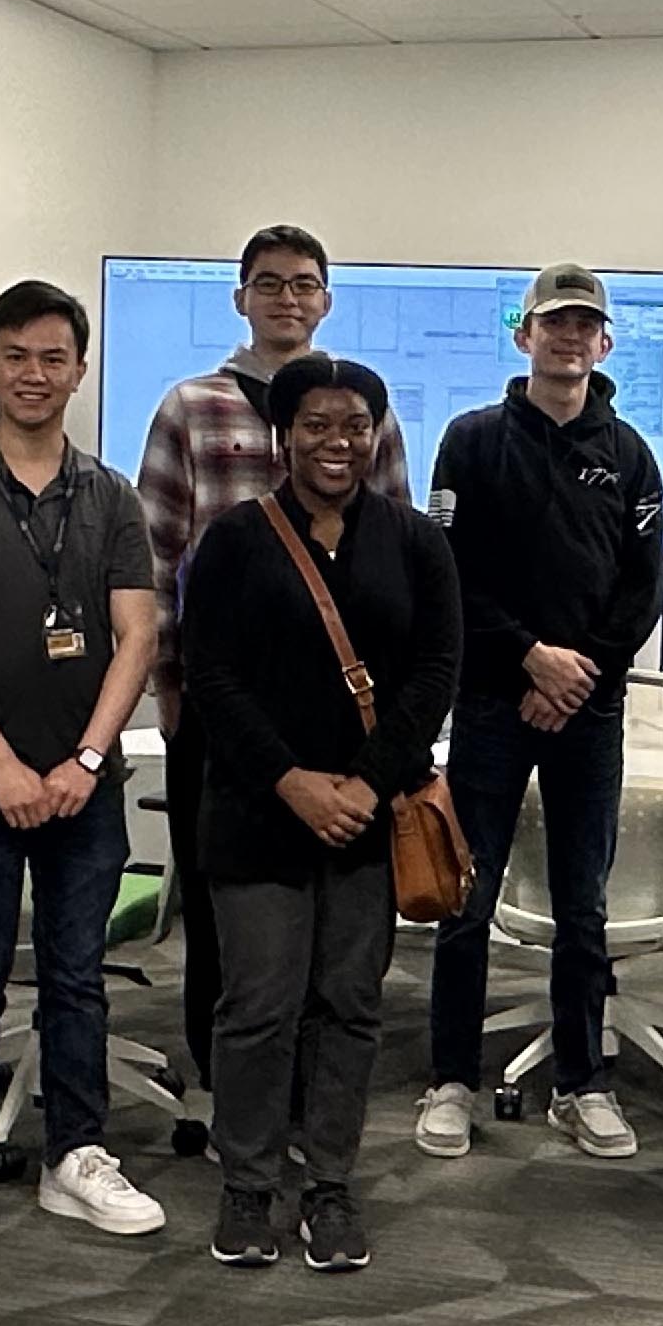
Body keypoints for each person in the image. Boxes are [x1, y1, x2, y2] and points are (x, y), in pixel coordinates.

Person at [0, 281, 170, 1259]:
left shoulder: (108, 498)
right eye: (14, 355)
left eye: (52, 356)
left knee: (76, 975)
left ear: (78, 370)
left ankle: (77, 1154)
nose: (33, 373)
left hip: (82, 782)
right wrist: (5, 764)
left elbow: (135, 636)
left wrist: (85, 758)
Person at [178, 356, 458, 1274]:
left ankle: (330, 1184)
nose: (336, 441)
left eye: (354, 425)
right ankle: (249, 1184)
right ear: (281, 434)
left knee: (349, 1003)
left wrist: (367, 785)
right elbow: (211, 676)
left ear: (376, 435)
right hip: (259, 814)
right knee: (257, 1005)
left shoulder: (415, 543)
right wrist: (293, 781)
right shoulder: (230, 542)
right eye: (316, 424)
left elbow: (434, 673)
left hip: (369, 819)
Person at [136, 225, 411, 1115]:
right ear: (240, 298)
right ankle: (228, 1095)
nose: (285, 298)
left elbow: (397, 555)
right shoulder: (190, 405)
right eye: (268, 283)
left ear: (325, 299)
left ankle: (313, 1095)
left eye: (302, 285)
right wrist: (171, 692)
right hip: (222, 711)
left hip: (341, 721)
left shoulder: (364, 405)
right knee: (225, 915)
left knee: (341, 927)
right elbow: (155, 557)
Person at [418, 264, 663, 1161]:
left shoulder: (630, 452)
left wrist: (581, 673)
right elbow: (448, 573)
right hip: (491, 699)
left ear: (603, 344)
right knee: (464, 898)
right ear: (523, 335)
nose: (568, 338)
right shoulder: (472, 440)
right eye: (552, 323)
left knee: (581, 906)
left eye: (585, 326)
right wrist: (529, 655)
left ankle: (580, 1083)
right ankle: (449, 1080)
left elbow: (643, 587)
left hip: (587, 711)